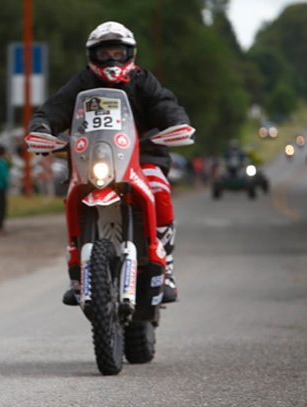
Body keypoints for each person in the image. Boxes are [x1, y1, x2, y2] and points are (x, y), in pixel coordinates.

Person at [27, 21, 190, 305]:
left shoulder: (143, 80)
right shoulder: (81, 83)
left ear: (130, 53)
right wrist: (41, 127)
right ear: (93, 56)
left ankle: (167, 269)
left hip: (143, 156)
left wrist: (176, 124)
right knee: (72, 198)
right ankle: (77, 271)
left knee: (159, 189)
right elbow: (55, 107)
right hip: (91, 158)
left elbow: (165, 105)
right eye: (105, 54)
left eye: (118, 53)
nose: (112, 60)